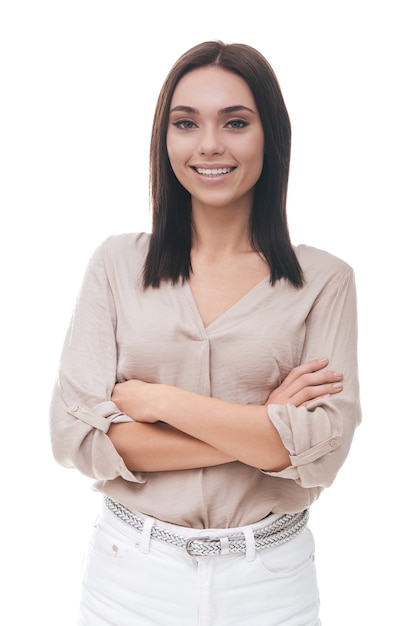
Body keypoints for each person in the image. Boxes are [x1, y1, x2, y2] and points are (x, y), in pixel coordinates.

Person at [49, 40, 361, 626]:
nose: (209, 144)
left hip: (270, 585)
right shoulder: (116, 265)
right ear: (164, 139)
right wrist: (267, 432)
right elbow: (76, 438)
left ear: (271, 135)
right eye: (186, 123)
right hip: (131, 578)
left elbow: (322, 454)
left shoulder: (326, 281)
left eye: (236, 122)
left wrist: (160, 403)